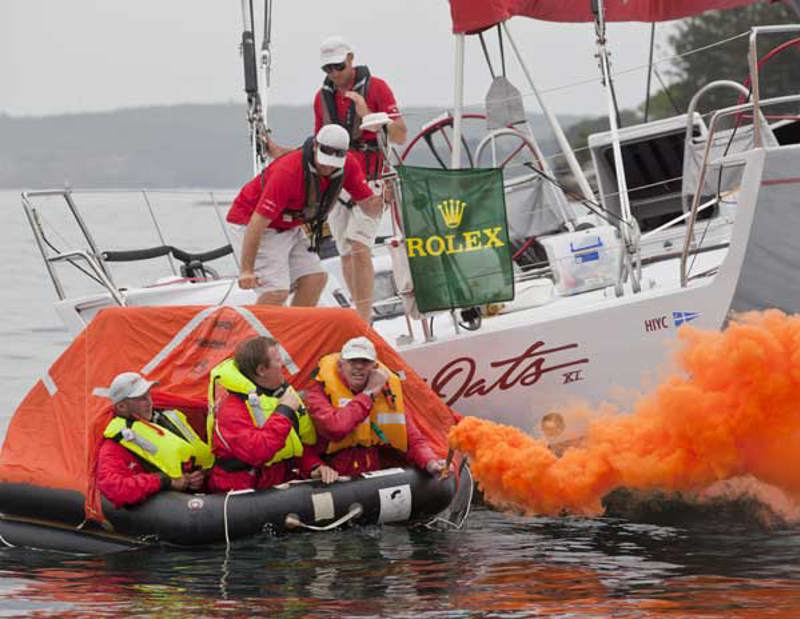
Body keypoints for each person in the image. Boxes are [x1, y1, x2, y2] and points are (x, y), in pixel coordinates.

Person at [267, 36, 407, 323]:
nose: (334, 74)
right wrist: (281, 154)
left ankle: (365, 319)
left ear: (351, 59)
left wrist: (367, 114)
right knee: (344, 251)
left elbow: (401, 135)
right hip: (338, 184)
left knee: (359, 245)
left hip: (371, 180)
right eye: (327, 69)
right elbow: (319, 144)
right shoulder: (322, 99)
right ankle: (359, 315)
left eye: (338, 66)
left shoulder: (377, 88)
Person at [228, 124, 381, 312]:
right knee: (276, 291)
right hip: (251, 221)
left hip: (289, 225)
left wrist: (384, 198)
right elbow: (257, 224)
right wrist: (246, 270)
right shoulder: (289, 172)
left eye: (333, 163)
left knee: (315, 279)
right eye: (324, 161)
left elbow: (369, 207)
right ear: (315, 147)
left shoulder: (348, 166)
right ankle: (255, 339)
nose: (327, 167)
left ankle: (290, 334)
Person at [207, 335, 339, 492]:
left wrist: (314, 467)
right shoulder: (231, 409)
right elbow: (257, 452)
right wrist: (284, 411)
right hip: (241, 490)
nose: (282, 364)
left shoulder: (278, 393)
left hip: (277, 480)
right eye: (277, 360)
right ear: (261, 370)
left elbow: (295, 445)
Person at [305, 336, 447, 477]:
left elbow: (413, 439)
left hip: (373, 473)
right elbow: (335, 428)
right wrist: (369, 394)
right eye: (352, 361)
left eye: (365, 361)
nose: (359, 366)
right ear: (340, 365)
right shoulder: (318, 391)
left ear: (375, 368)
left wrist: (430, 461)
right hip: (333, 474)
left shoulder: (388, 393)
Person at [96, 372, 213, 508]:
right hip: (163, 509)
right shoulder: (114, 446)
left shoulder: (165, 422)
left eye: (148, 395)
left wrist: (197, 476)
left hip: (194, 500)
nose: (149, 402)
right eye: (141, 398)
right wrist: (165, 481)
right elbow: (114, 488)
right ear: (122, 406)